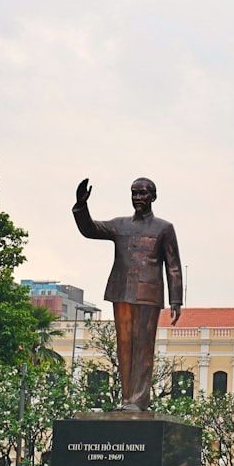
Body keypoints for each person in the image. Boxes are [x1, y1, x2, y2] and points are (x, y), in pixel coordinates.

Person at [73, 177, 183, 412]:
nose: (138, 198)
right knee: (124, 346)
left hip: (148, 294)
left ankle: (139, 400)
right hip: (121, 291)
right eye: (134, 193)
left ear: (153, 197)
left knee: (143, 346)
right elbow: (90, 229)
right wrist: (81, 206)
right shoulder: (119, 225)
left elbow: (173, 265)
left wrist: (176, 300)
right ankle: (127, 399)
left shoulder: (164, 228)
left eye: (143, 194)